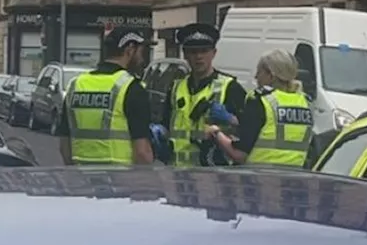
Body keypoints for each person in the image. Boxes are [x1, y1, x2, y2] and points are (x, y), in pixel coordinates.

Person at [53, 27, 157, 165]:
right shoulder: (132, 88)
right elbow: (142, 152)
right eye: (141, 52)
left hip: (81, 178)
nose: (142, 58)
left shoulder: (76, 85)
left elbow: (64, 145)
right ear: (130, 49)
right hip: (120, 179)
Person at [158, 22, 248, 167]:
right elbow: (166, 125)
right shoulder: (176, 87)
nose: (199, 57)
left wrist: (231, 120)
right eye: (193, 52)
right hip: (178, 172)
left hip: (214, 172)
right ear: (185, 54)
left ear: (214, 53)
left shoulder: (230, 87)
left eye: (204, 51)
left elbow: (249, 129)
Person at [206, 49, 313, 167]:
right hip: (293, 179)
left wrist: (216, 133)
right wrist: (233, 121)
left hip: (259, 178)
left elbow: (239, 155)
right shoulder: (304, 103)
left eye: (259, 71)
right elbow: (271, 129)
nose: (256, 76)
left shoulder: (260, 101)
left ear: (271, 76)